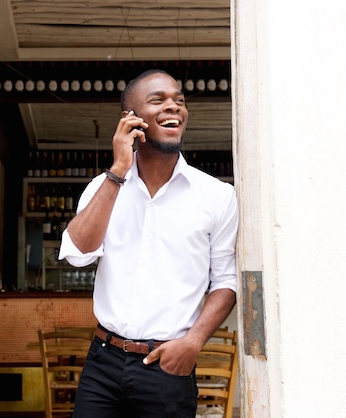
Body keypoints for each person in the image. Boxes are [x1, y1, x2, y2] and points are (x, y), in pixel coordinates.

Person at [58, 69, 238, 418]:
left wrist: (193, 343)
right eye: (158, 100)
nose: (174, 107)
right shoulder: (102, 187)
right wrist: (118, 170)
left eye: (179, 101)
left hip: (167, 366)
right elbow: (78, 256)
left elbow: (226, 281)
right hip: (103, 361)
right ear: (131, 119)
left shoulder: (216, 196)